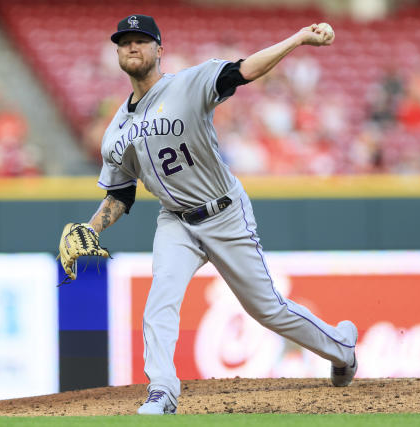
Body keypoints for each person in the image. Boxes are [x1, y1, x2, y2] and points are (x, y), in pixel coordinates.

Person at [82, 14, 358, 415]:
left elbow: (245, 69)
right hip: (175, 219)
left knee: (267, 309)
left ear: (159, 49)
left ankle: (341, 347)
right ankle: (161, 390)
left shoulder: (189, 84)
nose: (132, 47)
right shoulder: (116, 130)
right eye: (124, 42)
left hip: (224, 213)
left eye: (141, 40)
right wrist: (91, 229)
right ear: (118, 54)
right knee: (160, 299)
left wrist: (297, 39)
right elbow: (120, 195)